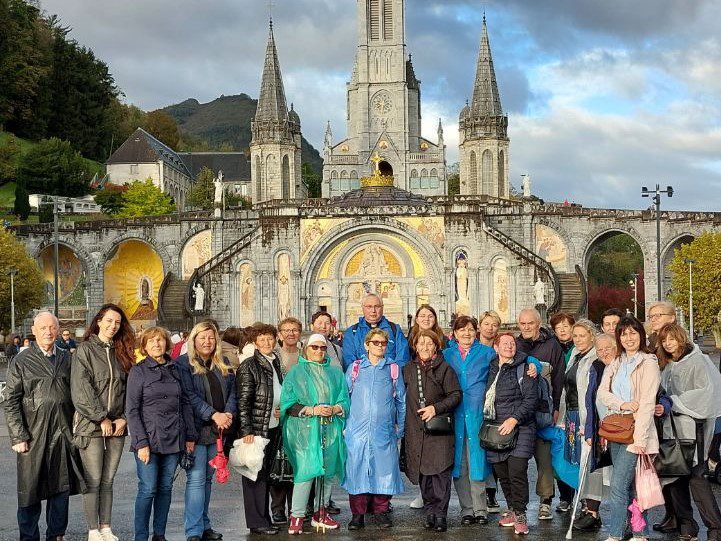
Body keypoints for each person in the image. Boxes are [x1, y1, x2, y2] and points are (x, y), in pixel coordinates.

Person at [5, 311, 85, 541]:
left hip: (62, 433)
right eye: (43, 328)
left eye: (52, 327)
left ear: (58, 330)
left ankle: (56, 535)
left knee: (60, 488)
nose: (48, 332)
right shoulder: (21, 361)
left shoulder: (66, 359)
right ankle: (28, 537)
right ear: (34, 330)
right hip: (33, 434)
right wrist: (18, 435)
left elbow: (78, 394)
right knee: (30, 491)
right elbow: (10, 399)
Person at [71, 304, 136, 541]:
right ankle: (92, 530)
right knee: (94, 480)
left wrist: (124, 419)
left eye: (117, 322)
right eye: (109, 321)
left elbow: (131, 389)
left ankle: (106, 527)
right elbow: (81, 390)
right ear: (98, 321)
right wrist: (101, 418)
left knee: (109, 480)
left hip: (117, 426)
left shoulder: (122, 352)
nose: (113, 326)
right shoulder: (85, 351)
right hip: (91, 426)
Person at [126, 326, 197, 541]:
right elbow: (132, 409)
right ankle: (140, 536)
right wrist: (140, 443)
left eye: (160, 340)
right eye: (151, 341)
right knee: (147, 489)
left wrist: (190, 436)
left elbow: (185, 402)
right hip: (149, 438)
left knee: (165, 488)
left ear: (167, 343)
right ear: (145, 346)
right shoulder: (138, 371)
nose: (156, 344)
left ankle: (159, 534)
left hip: (174, 438)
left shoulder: (176, 369)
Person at [655, 323, 721, 541]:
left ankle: (715, 528)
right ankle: (687, 526)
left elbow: (707, 393)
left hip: (695, 427)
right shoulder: (668, 364)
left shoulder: (698, 360)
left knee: (696, 477)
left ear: (681, 337)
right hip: (673, 428)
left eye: (671, 339)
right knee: (675, 476)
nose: (668, 344)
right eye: (664, 340)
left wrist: (675, 401)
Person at [597, 316, 661, 541]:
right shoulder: (617, 361)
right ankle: (638, 532)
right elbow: (602, 393)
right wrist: (622, 403)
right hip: (617, 429)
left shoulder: (648, 362)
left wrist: (640, 440)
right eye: (624, 334)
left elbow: (646, 404)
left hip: (636, 432)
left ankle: (615, 533)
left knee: (617, 485)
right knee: (631, 484)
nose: (629, 338)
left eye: (633, 332)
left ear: (641, 335)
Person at [280, 334, 350, 534]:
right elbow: (288, 403)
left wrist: (336, 408)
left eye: (323, 348)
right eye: (315, 348)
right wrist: (313, 410)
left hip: (330, 429)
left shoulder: (335, 373)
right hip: (305, 431)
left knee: (327, 473)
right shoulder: (296, 372)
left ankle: (321, 513)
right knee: (306, 472)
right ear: (306, 349)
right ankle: (297, 516)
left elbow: (345, 400)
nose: (319, 351)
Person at [176, 321, 237, 541]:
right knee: (196, 479)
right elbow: (188, 396)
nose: (207, 341)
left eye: (211, 337)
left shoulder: (223, 363)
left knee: (208, 480)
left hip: (218, 431)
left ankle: (204, 525)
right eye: (202, 337)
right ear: (193, 340)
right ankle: (193, 530)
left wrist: (228, 414)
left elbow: (233, 392)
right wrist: (213, 414)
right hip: (197, 429)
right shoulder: (183, 364)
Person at [343, 328, 406, 530]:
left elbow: (401, 401)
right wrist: (344, 427)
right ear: (367, 345)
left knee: (384, 471)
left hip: (383, 430)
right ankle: (357, 515)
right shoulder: (355, 368)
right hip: (357, 431)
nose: (380, 346)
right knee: (356, 470)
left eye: (383, 343)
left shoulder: (392, 369)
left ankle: (381, 511)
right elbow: (345, 398)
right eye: (376, 343)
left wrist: (400, 428)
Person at [404, 330, 461, 532]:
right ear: (415, 346)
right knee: (424, 476)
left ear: (436, 346)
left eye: (429, 343)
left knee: (440, 474)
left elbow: (455, 395)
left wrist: (435, 408)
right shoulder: (408, 369)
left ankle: (440, 515)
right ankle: (430, 512)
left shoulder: (445, 369)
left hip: (439, 431)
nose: (425, 347)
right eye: (421, 343)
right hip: (416, 430)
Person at [484, 332, 540, 536]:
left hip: (520, 427)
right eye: (504, 343)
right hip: (496, 429)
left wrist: (513, 419)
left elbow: (531, 400)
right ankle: (512, 510)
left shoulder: (525, 368)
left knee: (517, 471)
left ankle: (521, 513)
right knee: (502, 473)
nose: (509, 346)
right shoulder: (490, 368)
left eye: (512, 343)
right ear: (496, 348)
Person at [443, 315, 495, 525]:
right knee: (459, 462)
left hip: (477, 412)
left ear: (476, 332)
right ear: (454, 333)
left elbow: (513, 359)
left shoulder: (487, 352)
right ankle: (466, 509)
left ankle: (480, 508)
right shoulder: (447, 354)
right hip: (454, 413)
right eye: (461, 330)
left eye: (470, 330)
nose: (466, 334)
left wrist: (534, 365)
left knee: (477, 461)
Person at [516, 308, 565, 520]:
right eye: (523, 324)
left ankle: (545, 501)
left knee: (544, 459)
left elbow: (559, 379)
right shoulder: (515, 345)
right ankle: (518, 506)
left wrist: (555, 409)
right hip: (520, 413)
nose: (526, 327)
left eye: (530, 323)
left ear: (538, 323)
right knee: (518, 461)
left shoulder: (552, 345)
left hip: (544, 410)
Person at [235, 324, 285, 535]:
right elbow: (243, 401)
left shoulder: (274, 362)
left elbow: (276, 392)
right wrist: (246, 430)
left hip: (272, 425)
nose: (267, 342)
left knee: (264, 473)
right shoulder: (249, 366)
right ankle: (257, 521)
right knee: (254, 475)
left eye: (270, 338)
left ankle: (263, 518)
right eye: (262, 339)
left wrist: (280, 408)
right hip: (256, 428)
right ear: (254, 342)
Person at [406, 304, 448, 510]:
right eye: (421, 315)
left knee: (438, 459)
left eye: (430, 315)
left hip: (437, 412)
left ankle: (437, 509)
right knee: (417, 454)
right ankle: (424, 495)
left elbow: (453, 390)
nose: (426, 318)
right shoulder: (408, 343)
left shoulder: (444, 346)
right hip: (415, 411)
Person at [574, 333, 617, 532]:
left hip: (623, 429)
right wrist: (590, 431)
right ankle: (592, 512)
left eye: (608, 348)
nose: (604, 352)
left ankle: (627, 518)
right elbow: (590, 400)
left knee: (621, 476)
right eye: (600, 350)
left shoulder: (625, 365)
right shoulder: (596, 367)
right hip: (600, 428)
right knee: (595, 470)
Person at [560, 319, 598, 523]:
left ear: (592, 336)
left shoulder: (595, 356)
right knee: (576, 461)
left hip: (585, 415)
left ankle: (591, 509)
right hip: (572, 414)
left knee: (587, 461)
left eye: (582, 335)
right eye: (575, 336)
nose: (578, 339)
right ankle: (582, 502)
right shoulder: (574, 355)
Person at [270, 317, 304, 524]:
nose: (291, 333)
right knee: (277, 462)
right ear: (280, 334)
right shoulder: (273, 358)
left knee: (299, 463)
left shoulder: (305, 358)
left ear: (300, 333)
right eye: (286, 330)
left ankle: (296, 507)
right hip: (278, 415)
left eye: (295, 330)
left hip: (300, 416)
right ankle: (277, 508)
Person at [341, 293, 410, 370]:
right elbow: (349, 361)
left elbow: (403, 357)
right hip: (362, 379)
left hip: (388, 378)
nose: (373, 310)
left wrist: (392, 374)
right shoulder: (352, 332)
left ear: (382, 308)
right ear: (363, 308)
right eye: (369, 307)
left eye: (377, 306)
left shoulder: (395, 330)